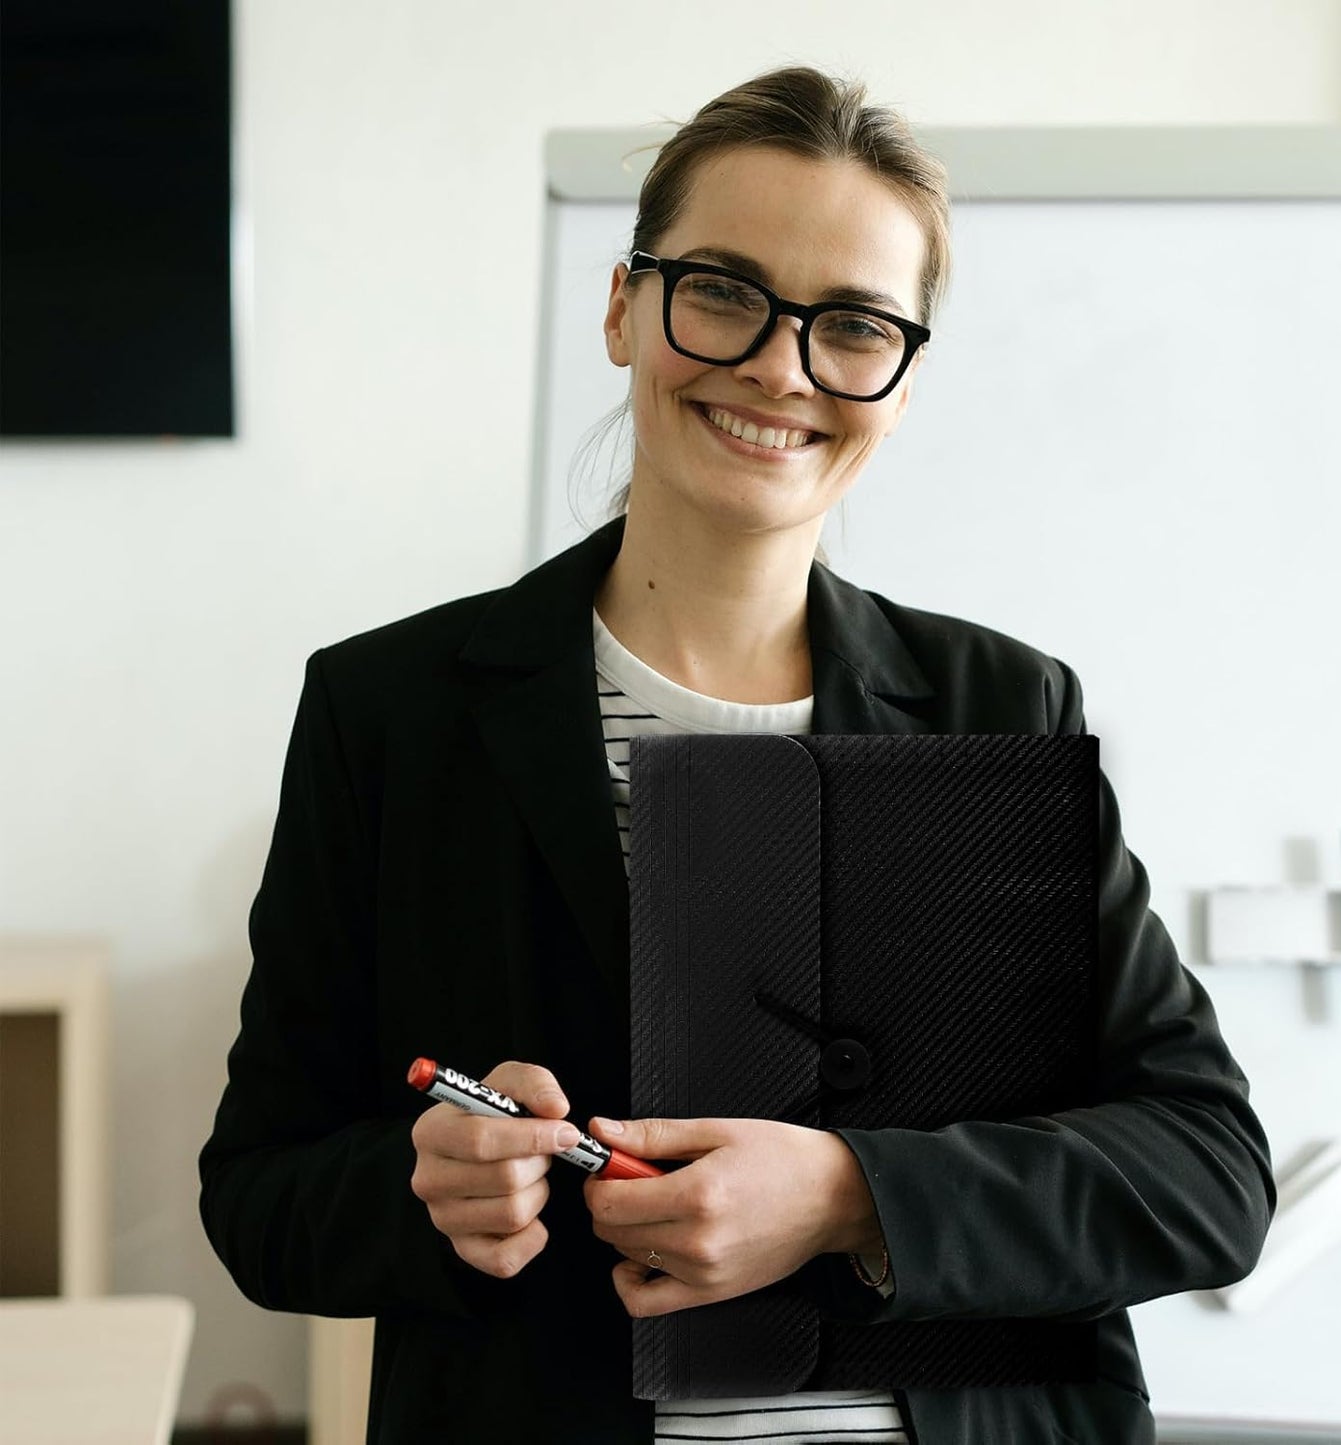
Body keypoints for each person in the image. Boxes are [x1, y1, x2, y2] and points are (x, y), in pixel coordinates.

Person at [199, 65, 1274, 1445]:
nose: (780, 365)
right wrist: (426, 1190)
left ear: (900, 374)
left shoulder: (996, 703)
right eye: (722, 290)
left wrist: (851, 1192)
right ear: (621, 306)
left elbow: (1205, 1171)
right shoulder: (393, 711)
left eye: (852, 325)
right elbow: (260, 1191)